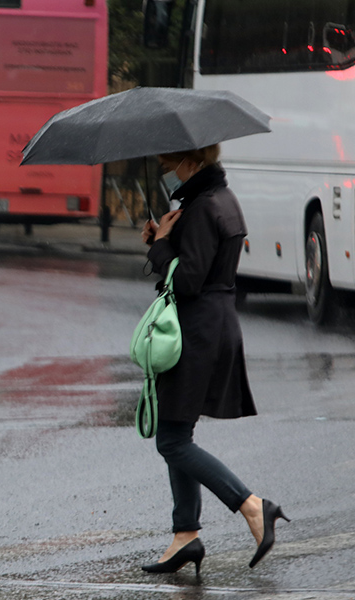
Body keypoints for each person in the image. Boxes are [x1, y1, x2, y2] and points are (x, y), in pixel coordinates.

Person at [139, 145, 289, 575]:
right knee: (174, 430)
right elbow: (193, 268)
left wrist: (162, 244)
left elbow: (187, 281)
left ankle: (254, 506)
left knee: (172, 440)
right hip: (213, 324)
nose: (168, 174)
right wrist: (161, 241)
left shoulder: (204, 207)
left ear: (192, 162)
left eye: (169, 165)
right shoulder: (219, 199)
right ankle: (185, 535)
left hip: (198, 330)